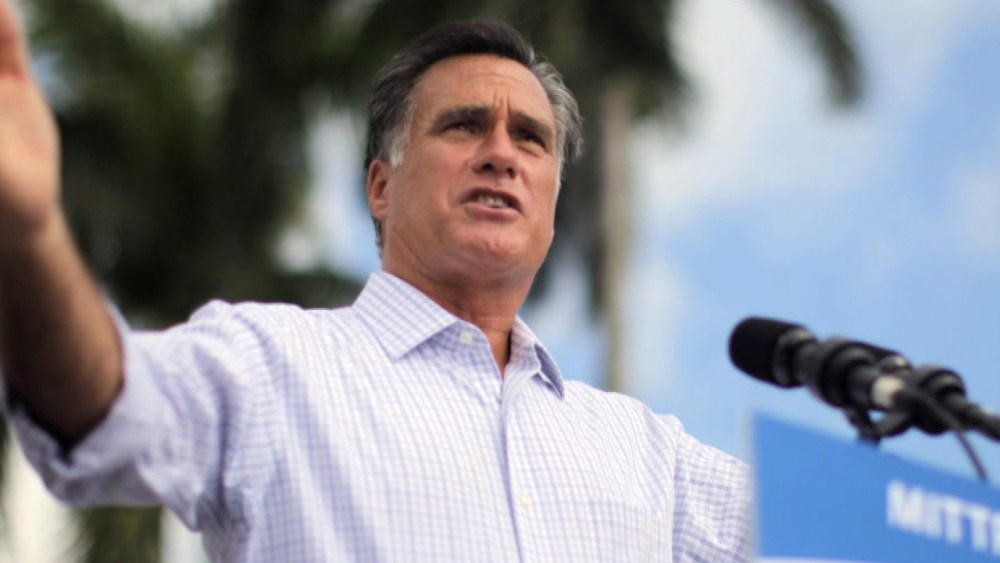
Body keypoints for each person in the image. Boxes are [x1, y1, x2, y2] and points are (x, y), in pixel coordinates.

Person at [0, 2, 750, 560]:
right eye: (463, 125)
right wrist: (30, 233)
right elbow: (106, 405)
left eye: (531, 137)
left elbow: (823, 524)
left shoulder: (649, 456)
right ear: (381, 187)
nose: (501, 153)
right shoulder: (272, 366)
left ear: (554, 203)